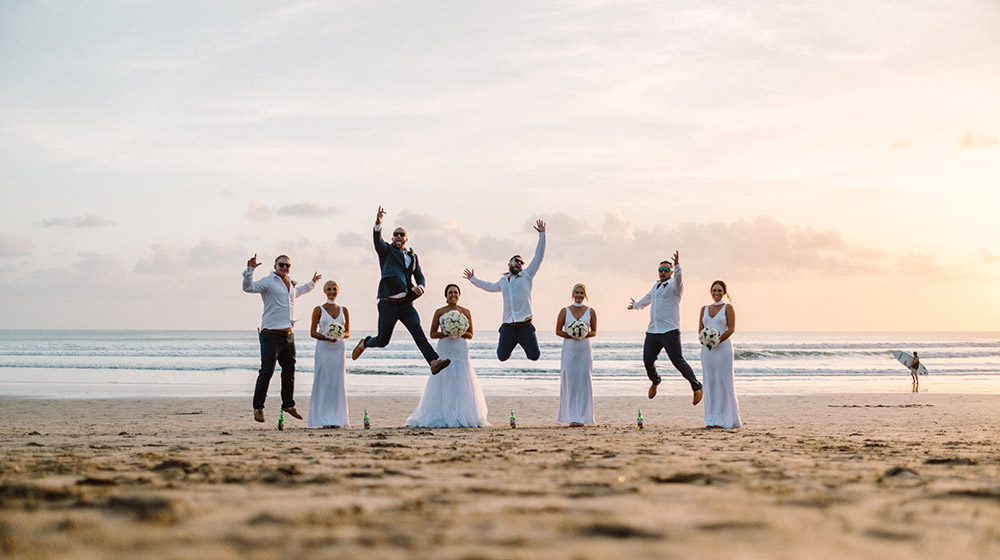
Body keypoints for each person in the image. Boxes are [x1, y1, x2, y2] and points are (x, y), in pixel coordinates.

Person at [352, 206, 451, 375]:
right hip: (388, 303)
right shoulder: (386, 251)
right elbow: (377, 241)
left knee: (418, 332)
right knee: (383, 341)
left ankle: (433, 362)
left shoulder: (413, 257)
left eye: (402, 234)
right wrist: (378, 223)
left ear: (406, 238)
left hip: (406, 304)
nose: (399, 236)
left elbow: (420, 276)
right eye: (396, 234)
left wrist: (421, 286)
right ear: (392, 238)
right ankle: (365, 342)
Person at [243, 254, 320, 423]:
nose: (285, 268)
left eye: (287, 266)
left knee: (290, 370)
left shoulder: (290, 285)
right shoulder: (268, 281)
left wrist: (313, 283)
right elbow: (249, 288)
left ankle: (288, 404)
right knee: (267, 371)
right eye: (282, 265)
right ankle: (258, 407)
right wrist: (250, 270)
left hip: (288, 335)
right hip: (270, 334)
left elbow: (299, 292)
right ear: (275, 266)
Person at [406, 284, 490, 428]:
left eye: (455, 292)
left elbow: (470, 334)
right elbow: (432, 333)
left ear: (459, 294)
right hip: (445, 347)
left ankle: (464, 413)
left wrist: (458, 332)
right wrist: (447, 332)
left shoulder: (466, 311)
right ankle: (441, 412)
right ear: (446, 296)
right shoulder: (440, 312)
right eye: (450, 292)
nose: (453, 295)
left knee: (462, 377)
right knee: (444, 375)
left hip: (460, 348)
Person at [463, 219, 546, 362]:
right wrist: (473, 279)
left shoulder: (527, 275)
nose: (519, 263)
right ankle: (506, 335)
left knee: (534, 356)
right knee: (501, 357)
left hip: (525, 326)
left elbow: (538, 257)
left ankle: (526, 335)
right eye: (516, 261)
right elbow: (489, 286)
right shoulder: (503, 281)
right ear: (509, 263)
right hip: (508, 327)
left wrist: (542, 235)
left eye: (521, 262)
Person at [627, 251, 703, 405]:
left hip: (670, 331)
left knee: (677, 361)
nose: (662, 272)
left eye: (665, 270)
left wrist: (677, 266)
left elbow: (680, 279)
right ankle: (655, 381)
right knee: (648, 361)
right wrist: (636, 305)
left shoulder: (675, 286)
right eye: (660, 270)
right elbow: (648, 298)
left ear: (670, 272)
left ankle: (696, 387)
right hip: (653, 330)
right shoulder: (655, 286)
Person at [307, 280, 351, 428]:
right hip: (324, 349)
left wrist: (339, 335)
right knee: (324, 382)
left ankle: (338, 419)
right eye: (329, 289)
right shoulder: (318, 309)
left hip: (338, 349)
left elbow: (348, 332)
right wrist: (326, 337)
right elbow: (312, 332)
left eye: (334, 289)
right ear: (325, 291)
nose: (332, 292)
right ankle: (322, 420)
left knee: (337, 383)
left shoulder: (344, 310)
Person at [699, 280, 742, 429]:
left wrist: (717, 340)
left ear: (724, 293)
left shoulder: (727, 308)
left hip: (723, 350)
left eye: (719, 291)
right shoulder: (704, 309)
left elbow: (731, 329)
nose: (716, 294)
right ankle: (711, 418)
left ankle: (726, 418)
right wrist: (705, 340)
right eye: (714, 291)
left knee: (723, 382)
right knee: (710, 382)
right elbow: (700, 330)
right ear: (711, 292)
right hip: (707, 351)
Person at [556, 283, 597, 427]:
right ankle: (573, 417)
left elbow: (594, 331)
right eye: (577, 292)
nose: (579, 295)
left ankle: (584, 417)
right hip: (569, 349)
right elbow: (558, 331)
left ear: (585, 295)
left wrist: (583, 333)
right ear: (573, 294)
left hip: (584, 349)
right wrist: (571, 334)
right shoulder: (565, 311)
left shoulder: (590, 311)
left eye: (581, 293)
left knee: (584, 382)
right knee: (571, 382)